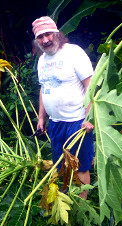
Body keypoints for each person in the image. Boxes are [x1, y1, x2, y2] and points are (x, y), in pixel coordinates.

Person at [32, 16, 96, 199]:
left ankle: (82, 207)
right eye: (40, 37)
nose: (45, 40)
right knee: (62, 166)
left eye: (48, 34)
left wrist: (89, 117)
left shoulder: (73, 53)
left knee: (80, 166)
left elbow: (89, 85)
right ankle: (68, 200)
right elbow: (44, 89)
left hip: (77, 122)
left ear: (57, 33)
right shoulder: (42, 60)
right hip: (56, 123)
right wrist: (42, 118)